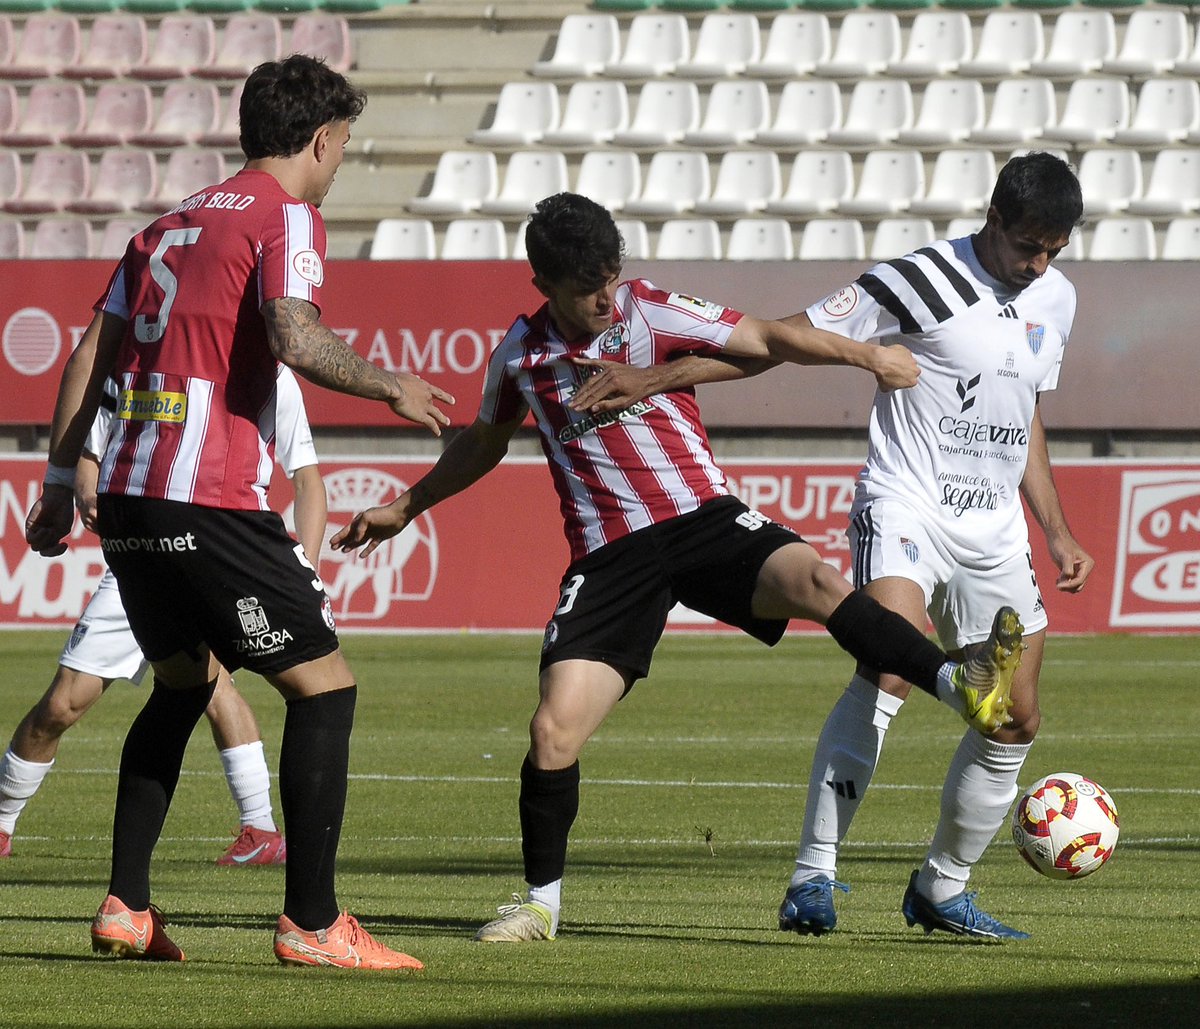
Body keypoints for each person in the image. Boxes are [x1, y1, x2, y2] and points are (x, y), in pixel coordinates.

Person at [329, 191, 1025, 945]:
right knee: (552, 731)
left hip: (703, 521)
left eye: (612, 275)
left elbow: (763, 337)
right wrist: (409, 502)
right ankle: (540, 904)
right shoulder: (519, 355)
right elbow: (485, 441)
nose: (606, 295)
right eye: (588, 286)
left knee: (819, 583)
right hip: (610, 554)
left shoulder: (649, 312)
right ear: (544, 287)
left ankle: (960, 681)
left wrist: (866, 354)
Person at [570, 153, 1093, 942]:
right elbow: (785, 341)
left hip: (994, 528)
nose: (1039, 264)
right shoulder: (915, 279)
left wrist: (1054, 528)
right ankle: (813, 875)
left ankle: (942, 888)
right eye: (1028, 245)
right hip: (907, 502)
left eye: (1054, 248)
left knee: (1015, 719)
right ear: (992, 221)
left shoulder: (1057, 296)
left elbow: (1025, 416)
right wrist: (655, 380)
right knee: (889, 666)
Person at [24, 55, 453, 969]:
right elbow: (295, 333)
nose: (339, 165)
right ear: (321, 137)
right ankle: (312, 919)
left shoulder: (164, 224)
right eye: (343, 147)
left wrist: (61, 483)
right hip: (206, 497)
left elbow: (88, 355)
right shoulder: (287, 214)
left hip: (130, 501)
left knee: (181, 686)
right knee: (324, 687)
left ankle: (127, 903)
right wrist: (389, 385)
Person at [1, 367, 322, 868]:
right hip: (145, 557)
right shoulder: (134, 371)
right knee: (64, 705)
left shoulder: (272, 376)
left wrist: (309, 571)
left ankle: (259, 830)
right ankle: (2, 822)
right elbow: (89, 460)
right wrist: (88, 498)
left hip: (220, 554)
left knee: (230, 685)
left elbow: (307, 479)